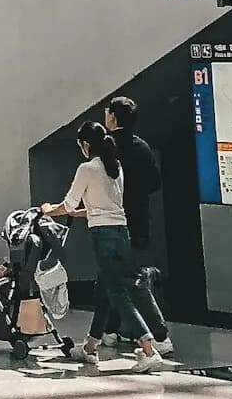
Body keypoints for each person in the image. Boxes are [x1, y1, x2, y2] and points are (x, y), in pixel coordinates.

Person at [43, 122, 168, 373]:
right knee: (105, 290)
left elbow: (68, 205)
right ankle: (90, 347)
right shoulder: (115, 167)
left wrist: (48, 211)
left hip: (103, 237)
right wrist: (73, 212)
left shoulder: (87, 168)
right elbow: (98, 208)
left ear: (86, 144)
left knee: (117, 293)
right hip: (121, 234)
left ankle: (148, 349)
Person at [98, 97, 172, 354]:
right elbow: (154, 183)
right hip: (139, 220)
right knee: (116, 277)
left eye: (108, 113)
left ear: (114, 118)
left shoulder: (106, 149)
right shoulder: (142, 147)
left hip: (112, 223)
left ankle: (159, 335)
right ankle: (107, 331)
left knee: (130, 281)